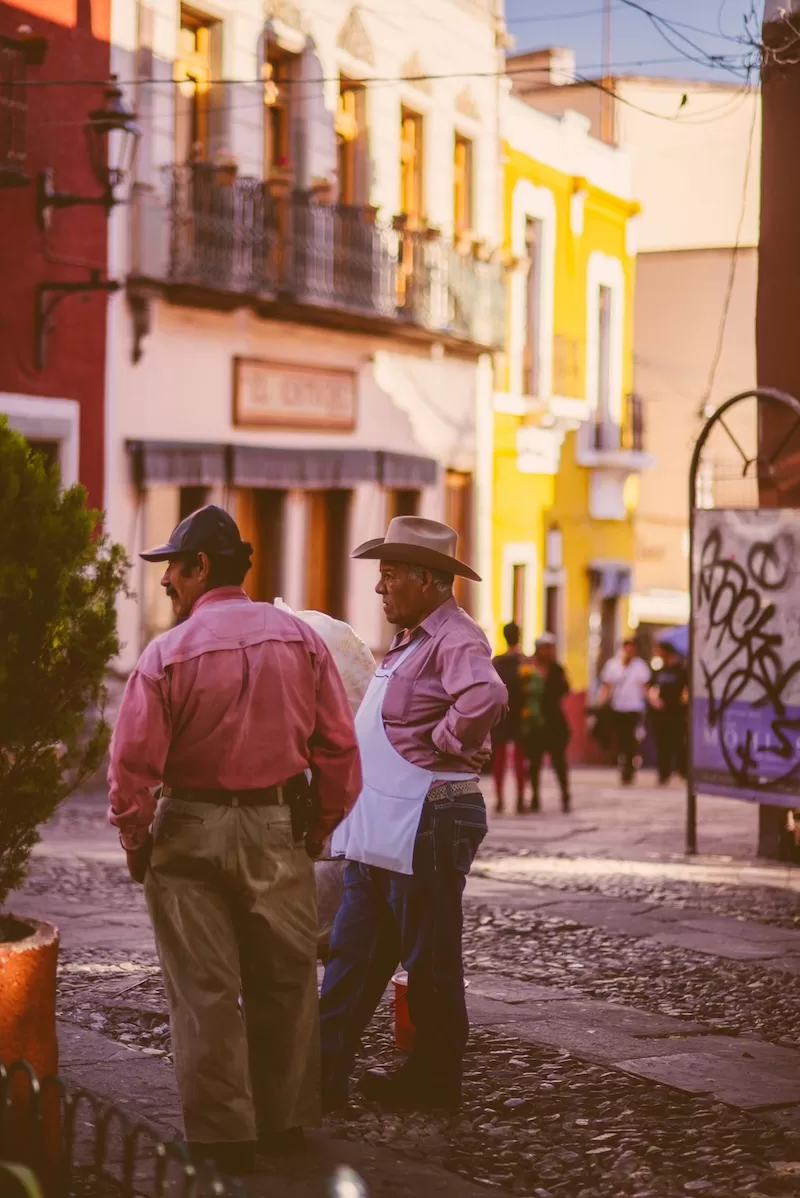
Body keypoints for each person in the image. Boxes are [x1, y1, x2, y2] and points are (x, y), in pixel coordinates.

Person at [107, 505, 361, 1177]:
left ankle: (222, 1136)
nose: (166, 583)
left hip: (187, 827)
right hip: (276, 823)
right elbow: (338, 747)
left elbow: (132, 766)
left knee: (204, 988)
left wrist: (138, 842)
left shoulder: (167, 654)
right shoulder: (301, 640)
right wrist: (316, 828)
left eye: (173, 570)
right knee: (284, 981)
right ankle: (282, 1122)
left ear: (200, 568)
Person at [320, 516, 507, 1114]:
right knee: (351, 954)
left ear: (428, 580)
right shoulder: (410, 640)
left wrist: (449, 738)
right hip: (383, 822)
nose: (380, 588)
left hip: (429, 818)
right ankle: (321, 1077)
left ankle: (434, 1080)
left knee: (429, 960)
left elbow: (487, 695)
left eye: (391, 575)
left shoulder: (455, 636)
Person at [521, 632, 571, 813]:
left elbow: (565, 689)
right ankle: (534, 797)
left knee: (559, 762)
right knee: (534, 762)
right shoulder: (528, 669)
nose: (549, 652)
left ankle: (565, 795)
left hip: (554, 722)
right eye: (546, 648)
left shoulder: (557, 669)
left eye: (551, 648)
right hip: (534, 723)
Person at [598, 638, 651, 785]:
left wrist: (653, 701)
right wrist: (601, 700)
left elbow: (645, 687)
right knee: (621, 738)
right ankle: (624, 764)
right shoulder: (613, 665)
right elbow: (607, 686)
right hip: (618, 707)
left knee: (630, 738)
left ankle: (629, 768)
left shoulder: (640, 666)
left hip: (634, 708)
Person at [490, 621, 526, 814]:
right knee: (520, 757)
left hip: (501, 714)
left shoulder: (497, 662)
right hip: (521, 714)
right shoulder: (525, 662)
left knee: (500, 758)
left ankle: (499, 798)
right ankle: (520, 797)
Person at [648, 641, 688, 784]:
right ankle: (663, 773)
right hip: (661, 712)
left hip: (676, 712)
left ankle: (683, 771)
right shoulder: (660, 670)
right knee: (662, 743)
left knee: (679, 743)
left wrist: (683, 702)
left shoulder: (680, 670)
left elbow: (686, 689)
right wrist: (654, 700)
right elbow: (652, 687)